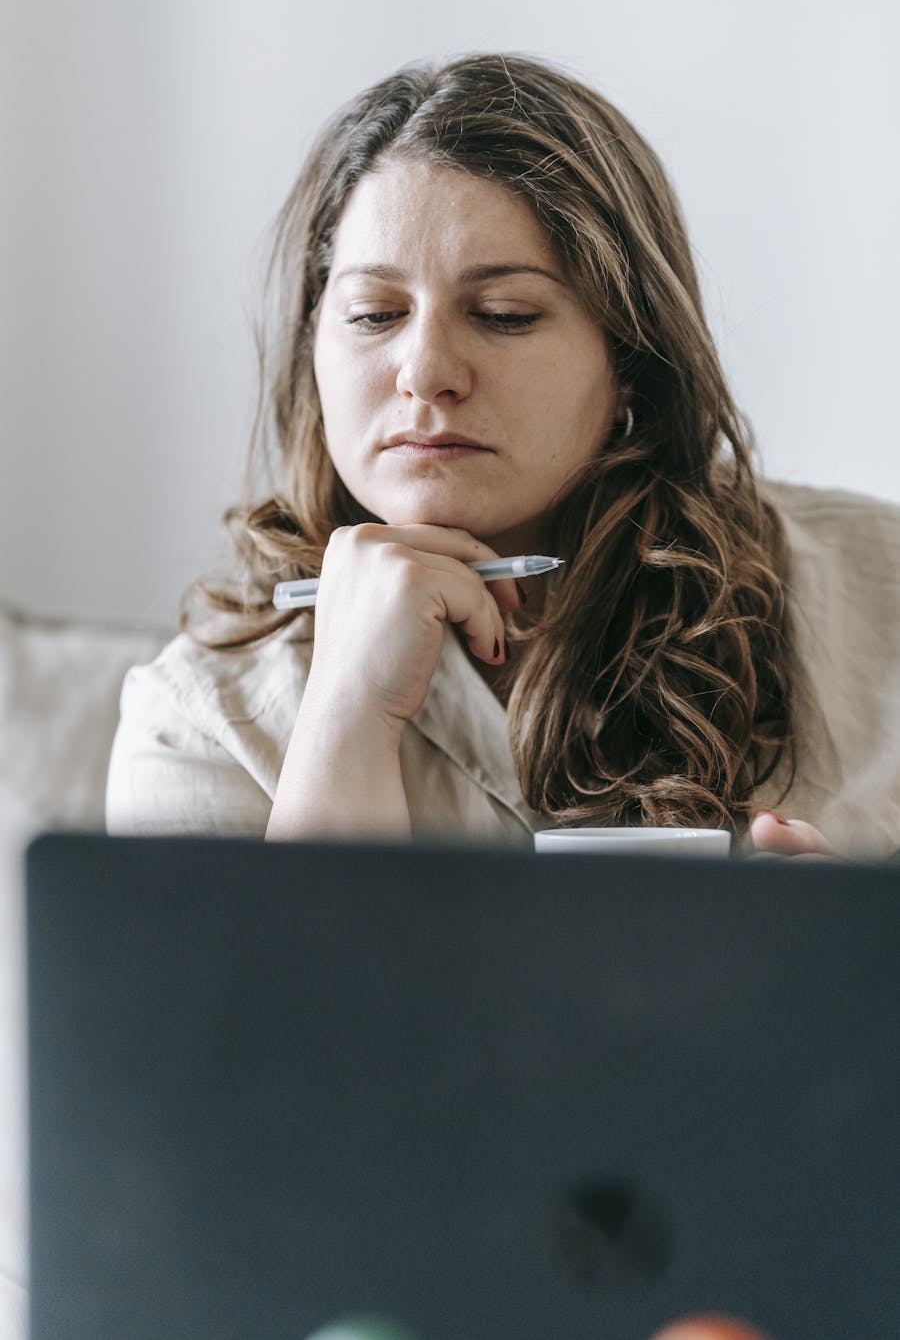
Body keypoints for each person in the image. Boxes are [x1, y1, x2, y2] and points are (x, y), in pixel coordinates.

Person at [106, 53, 900, 856]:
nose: (425, 374)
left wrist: (853, 964)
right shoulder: (202, 721)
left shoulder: (880, 595)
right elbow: (263, 988)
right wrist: (347, 717)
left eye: (505, 313)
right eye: (375, 315)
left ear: (631, 356)